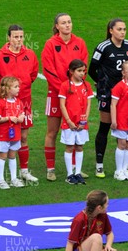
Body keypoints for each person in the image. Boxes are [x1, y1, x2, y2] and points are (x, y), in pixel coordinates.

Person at [0, 24, 39, 184]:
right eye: (15, 37)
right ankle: (0, 175)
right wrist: (5, 92)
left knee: (23, 137)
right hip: (5, 104)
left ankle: (24, 171)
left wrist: (19, 90)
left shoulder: (30, 54)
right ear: (9, 38)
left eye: (21, 37)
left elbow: (33, 74)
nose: (18, 40)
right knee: (3, 139)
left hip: (25, 102)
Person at [88, 18, 128, 178]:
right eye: (119, 29)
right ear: (111, 30)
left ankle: (124, 166)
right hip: (108, 94)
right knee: (106, 126)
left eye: (124, 29)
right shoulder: (103, 47)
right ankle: (99, 165)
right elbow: (91, 70)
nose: (122, 32)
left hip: (126, 94)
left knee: (125, 129)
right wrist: (101, 83)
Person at [41, 13, 88, 181]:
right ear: (57, 26)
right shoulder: (50, 44)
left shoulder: (80, 43)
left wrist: (74, 87)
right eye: (64, 23)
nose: (68, 25)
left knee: (75, 130)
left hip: (76, 96)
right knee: (52, 131)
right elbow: (48, 69)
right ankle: (50, 168)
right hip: (55, 94)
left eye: (69, 22)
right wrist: (64, 88)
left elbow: (84, 67)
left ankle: (75, 169)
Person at [59, 59, 93, 185]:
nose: (82, 74)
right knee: (69, 147)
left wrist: (84, 120)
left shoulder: (86, 86)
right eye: (79, 71)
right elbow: (62, 105)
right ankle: (69, 175)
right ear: (71, 71)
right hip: (69, 124)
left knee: (79, 146)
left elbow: (89, 104)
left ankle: (78, 172)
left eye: (83, 71)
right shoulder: (65, 86)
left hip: (82, 124)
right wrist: (68, 121)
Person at [0, 76, 26, 189]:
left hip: (15, 134)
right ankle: (0, 180)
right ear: (7, 89)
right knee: (2, 156)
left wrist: (22, 117)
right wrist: (8, 118)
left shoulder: (19, 102)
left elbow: (22, 113)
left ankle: (13, 179)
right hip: (4, 135)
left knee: (12, 156)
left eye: (18, 86)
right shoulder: (1, 103)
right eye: (16, 87)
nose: (18, 89)